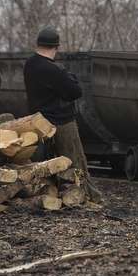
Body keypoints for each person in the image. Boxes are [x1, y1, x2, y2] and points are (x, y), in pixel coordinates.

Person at [23, 26, 102, 203]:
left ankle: (46, 194)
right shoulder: (54, 70)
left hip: (38, 122)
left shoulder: (29, 65)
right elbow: (75, 92)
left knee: (44, 164)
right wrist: (69, 77)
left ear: (38, 45)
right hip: (61, 121)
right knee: (75, 161)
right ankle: (84, 195)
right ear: (56, 47)